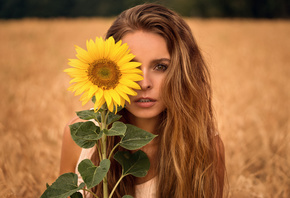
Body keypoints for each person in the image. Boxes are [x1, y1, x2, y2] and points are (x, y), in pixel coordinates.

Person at [60, 3, 225, 198]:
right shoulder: (81, 138)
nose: (144, 83)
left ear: (182, 73)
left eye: (161, 67)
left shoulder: (204, 146)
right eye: (131, 67)